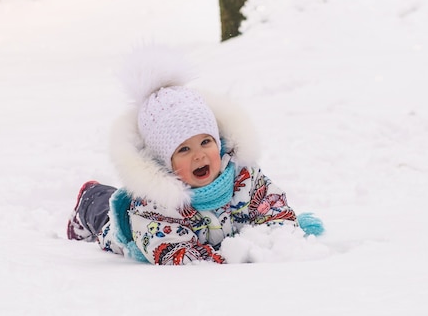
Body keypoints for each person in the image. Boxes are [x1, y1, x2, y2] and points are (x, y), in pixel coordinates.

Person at [66, 46, 321, 265]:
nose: (199, 155)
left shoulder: (243, 176)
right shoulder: (155, 204)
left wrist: (279, 238)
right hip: (135, 231)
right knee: (104, 219)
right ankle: (88, 199)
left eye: (205, 142)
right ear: (164, 162)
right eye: (184, 149)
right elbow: (174, 254)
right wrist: (236, 259)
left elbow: (273, 207)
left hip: (216, 236)